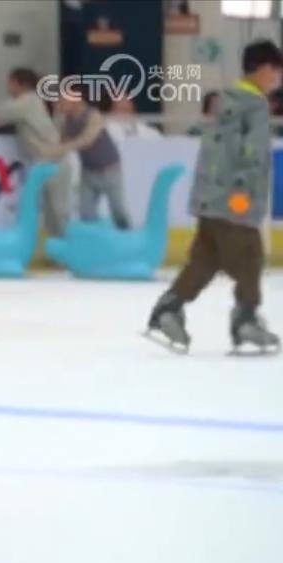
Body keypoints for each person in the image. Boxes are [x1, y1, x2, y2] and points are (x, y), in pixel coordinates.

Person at [146, 39, 283, 354]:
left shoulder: (224, 100)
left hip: (209, 196)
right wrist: (243, 197)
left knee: (205, 259)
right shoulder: (255, 106)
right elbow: (252, 155)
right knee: (250, 255)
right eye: (276, 71)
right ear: (262, 69)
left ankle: (169, 308)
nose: (277, 79)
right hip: (235, 200)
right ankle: (246, 318)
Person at [0, 67, 70, 239]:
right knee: (53, 214)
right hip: (52, 162)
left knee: (58, 213)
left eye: (10, 83)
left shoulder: (24, 103)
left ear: (17, 84)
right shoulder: (35, 102)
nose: (8, 88)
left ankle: (72, 248)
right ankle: (59, 249)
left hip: (53, 163)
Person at [57, 92, 130, 228]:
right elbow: (61, 140)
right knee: (86, 213)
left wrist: (62, 147)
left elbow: (87, 140)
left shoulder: (93, 116)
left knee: (118, 209)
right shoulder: (66, 120)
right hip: (88, 172)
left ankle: (127, 235)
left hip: (109, 170)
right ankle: (92, 237)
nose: (60, 104)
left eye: (63, 100)